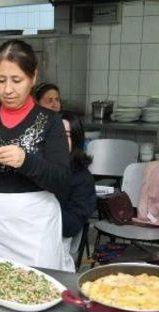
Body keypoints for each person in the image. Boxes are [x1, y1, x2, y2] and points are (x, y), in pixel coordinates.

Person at [0, 39, 71, 270]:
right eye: (1, 80)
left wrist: (25, 161)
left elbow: (63, 181)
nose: (8, 90)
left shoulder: (50, 121)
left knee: (35, 292)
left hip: (34, 228)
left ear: (33, 77)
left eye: (16, 80)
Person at [58, 111, 96, 271]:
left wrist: (42, 207)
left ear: (76, 140)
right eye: (55, 134)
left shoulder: (82, 179)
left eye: (66, 135)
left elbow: (71, 226)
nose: (58, 140)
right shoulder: (34, 167)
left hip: (55, 253)